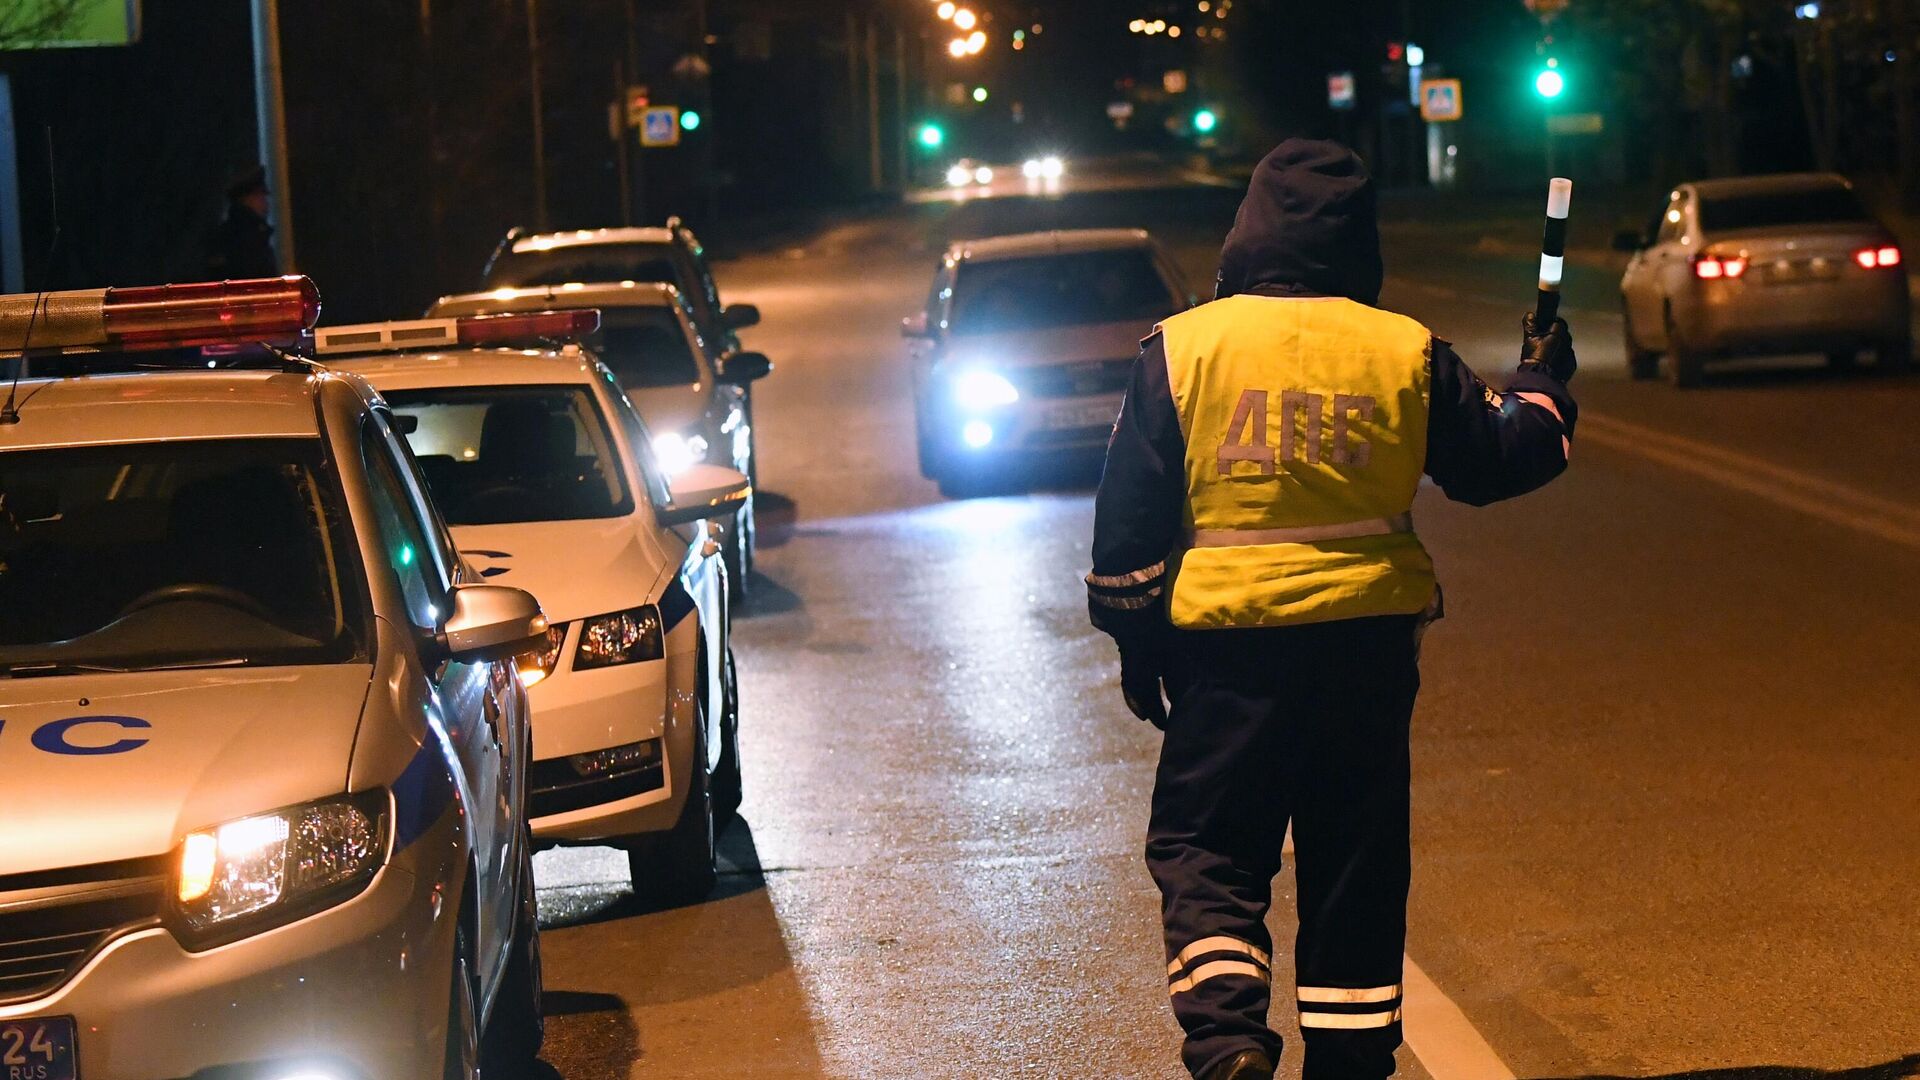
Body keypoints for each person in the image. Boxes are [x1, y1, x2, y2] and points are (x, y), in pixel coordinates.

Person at [1085, 139, 1577, 1080]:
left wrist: (1136, 642)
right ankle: (1351, 1064)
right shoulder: (1404, 348)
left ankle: (1229, 1040)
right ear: (1362, 242)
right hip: (1367, 658)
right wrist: (1543, 385)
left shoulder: (1182, 349)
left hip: (1228, 660)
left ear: (1248, 231)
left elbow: (1127, 529)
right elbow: (1497, 463)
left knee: (1209, 850)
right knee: (1354, 860)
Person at [206, 165, 280, 280]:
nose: (265, 203)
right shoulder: (246, 236)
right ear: (248, 199)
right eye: (261, 196)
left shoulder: (243, 232)